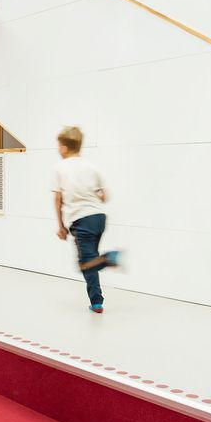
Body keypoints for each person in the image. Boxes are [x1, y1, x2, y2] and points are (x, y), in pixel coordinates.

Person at [50, 126, 121, 313]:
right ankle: (96, 302)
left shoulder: (60, 168)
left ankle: (110, 258)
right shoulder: (92, 167)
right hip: (99, 218)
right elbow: (104, 196)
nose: (58, 149)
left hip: (82, 221)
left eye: (58, 146)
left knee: (84, 263)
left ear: (64, 148)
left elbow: (58, 200)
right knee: (91, 260)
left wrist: (61, 226)